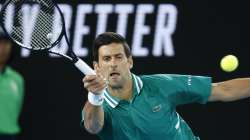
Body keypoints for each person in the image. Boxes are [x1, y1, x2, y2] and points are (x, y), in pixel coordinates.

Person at [81, 32, 250, 140]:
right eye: (107, 59)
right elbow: (93, 127)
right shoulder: (96, 106)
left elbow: (223, 90)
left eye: (118, 57)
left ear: (130, 61)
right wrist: (95, 96)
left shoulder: (161, 85)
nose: (113, 64)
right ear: (96, 67)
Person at [0, 28, 25, 140]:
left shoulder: (17, 79)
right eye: (0, 43)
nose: (3, 48)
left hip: (10, 136)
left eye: (6, 43)